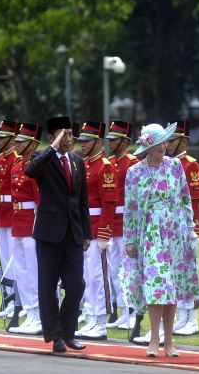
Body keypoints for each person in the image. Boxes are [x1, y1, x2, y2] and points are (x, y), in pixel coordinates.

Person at [118, 123, 199, 357]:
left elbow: (186, 200)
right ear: (148, 145)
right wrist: (130, 240)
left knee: (171, 285)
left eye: (165, 142)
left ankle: (169, 341)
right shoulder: (134, 172)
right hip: (150, 234)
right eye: (159, 143)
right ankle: (154, 338)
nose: (164, 146)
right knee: (157, 285)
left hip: (175, 232)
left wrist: (191, 232)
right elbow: (130, 209)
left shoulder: (175, 167)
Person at [25, 116, 91, 353]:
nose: (68, 139)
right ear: (52, 138)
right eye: (63, 135)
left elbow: (82, 201)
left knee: (76, 284)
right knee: (48, 285)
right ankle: (55, 336)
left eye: (70, 135)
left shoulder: (77, 162)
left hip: (73, 232)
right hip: (49, 232)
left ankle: (67, 331)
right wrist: (51, 149)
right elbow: (30, 171)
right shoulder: (41, 158)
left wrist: (87, 233)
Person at [75, 121, 118, 341]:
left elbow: (109, 203)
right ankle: (91, 316)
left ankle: (100, 320)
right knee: (86, 275)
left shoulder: (105, 167)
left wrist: (104, 233)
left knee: (97, 276)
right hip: (84, 228)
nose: (82, 144)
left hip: (96, 228)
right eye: (81, 140)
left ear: (98, 142)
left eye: (87, 140)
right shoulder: (84, 165)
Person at [166, 119, 199, 335]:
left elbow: (196, 201)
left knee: (191, 273)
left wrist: (194, 230)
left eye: (173, 141)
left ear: (184, 141)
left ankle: (193, 319)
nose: (169, 145)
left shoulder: (191, 165)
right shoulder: (169, 164)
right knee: (176, 274)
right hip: (172, 228)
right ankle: (182, 316)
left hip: (186, 227)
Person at [104, 121, 140, 330]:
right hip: (112, 223)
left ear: (125, 141)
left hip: (126, 223)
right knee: (114, 270)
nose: (110, 143)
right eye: (108, 139)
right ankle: (123, 309)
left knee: (129, 270)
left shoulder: (132, 163)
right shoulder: (111, 162)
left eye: (114, 139)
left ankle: (133, 312)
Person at [7, 123, 43, 335]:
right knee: (21, 271)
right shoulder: (16, 166)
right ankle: (30, 313)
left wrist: (37, 228)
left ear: (33, 144)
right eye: (17, 141)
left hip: (31, 222)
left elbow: (38, 202)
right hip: (17, 222)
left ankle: (38, 316)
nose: (17, 144)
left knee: (33, 271)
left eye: (21, 141)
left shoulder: (35, 168)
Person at [0, 120, 21, 318]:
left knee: (15, 257)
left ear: (12, 139)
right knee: (5, 258)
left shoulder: (16, 159)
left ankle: (17, 299)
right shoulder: (0, 159)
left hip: (15, 211)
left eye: (3, 137)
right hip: (3, 211)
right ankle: (9, 298)